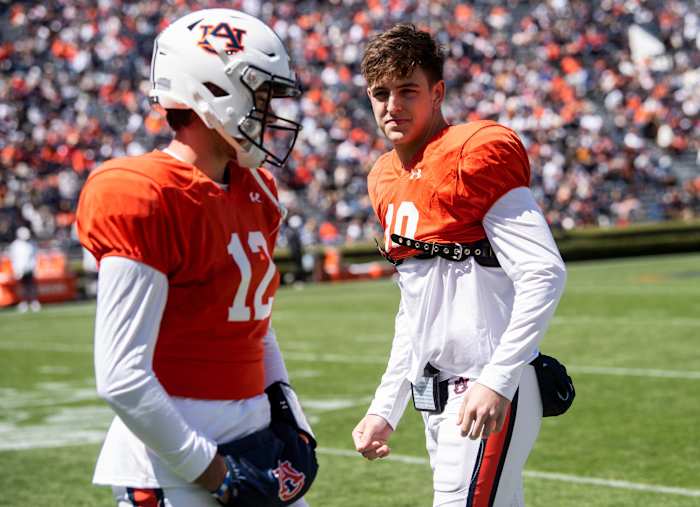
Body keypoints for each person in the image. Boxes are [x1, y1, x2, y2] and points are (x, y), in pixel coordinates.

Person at [76, 9, 316, 506]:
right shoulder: (143, 192)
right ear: (214, 91)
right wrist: (209, 472)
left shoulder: (257, 191)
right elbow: (121, 374)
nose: (270, 114)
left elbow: (255, 325)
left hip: (255, 447)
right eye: (262, 96)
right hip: (174, 464)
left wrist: (291, 418)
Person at [351, 24, 567, 507]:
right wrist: (385, 408)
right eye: (381, 93)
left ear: (438, 92)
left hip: (485, 387)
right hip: (438, 395)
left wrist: (497, 378)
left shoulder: (473, 152)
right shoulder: (384, 177)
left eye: (408, 90)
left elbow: (543, 272)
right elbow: (414, 314)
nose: (393, 105)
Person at [8, 226, 41, 313]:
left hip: (30, 268)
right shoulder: (15, 245)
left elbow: (34, 257)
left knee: (31, 286)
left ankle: (34, 302)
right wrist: (16, 269)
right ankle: (24, 302)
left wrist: (34, 267)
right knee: (22, 287)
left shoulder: (32, 243)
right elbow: (14, 258)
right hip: (20, 269)